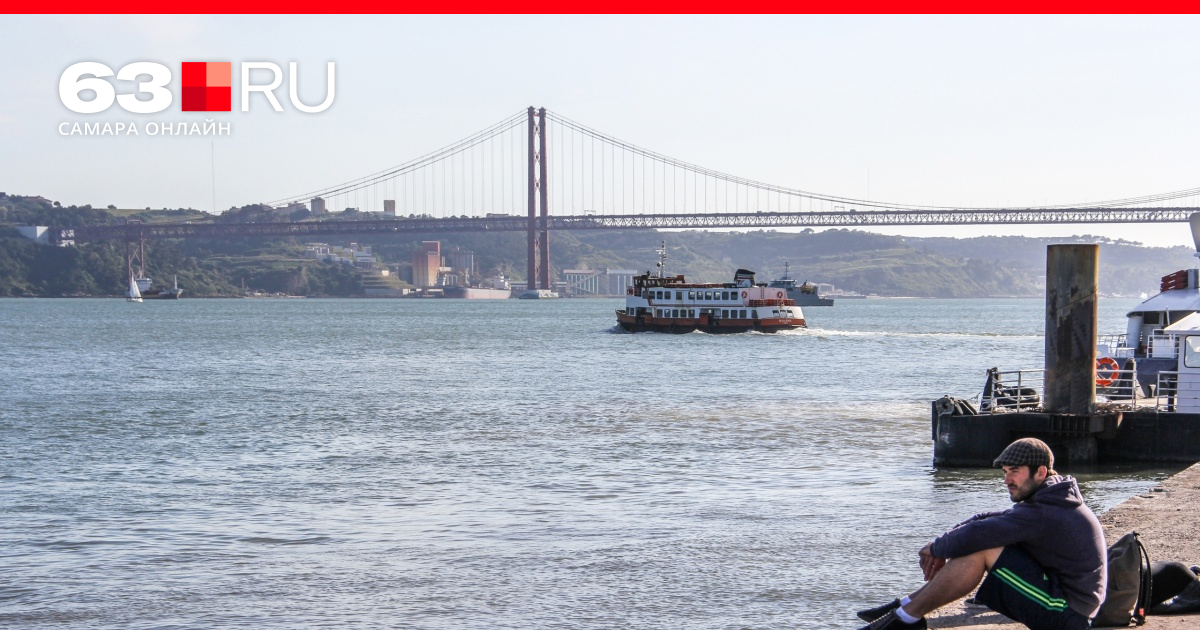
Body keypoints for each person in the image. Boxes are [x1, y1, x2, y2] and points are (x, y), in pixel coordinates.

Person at [856, 437, 1107, 630]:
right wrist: (942, 543)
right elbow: (984, 519)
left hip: (1067, 613)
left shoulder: (1044, 510)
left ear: (1040, 472)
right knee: (981, 540)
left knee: (982, 548)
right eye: (1005, 472)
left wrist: (935, 549)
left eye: (1014, 471)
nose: (1007, 480)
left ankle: (905, 618)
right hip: (1064, 602)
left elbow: (979, 533)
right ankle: (906, 608)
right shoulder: (1051, 498)